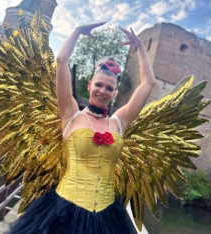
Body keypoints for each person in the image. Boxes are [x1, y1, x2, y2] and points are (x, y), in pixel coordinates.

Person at [9, 22, 155, 234]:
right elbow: (61, 62)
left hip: (107, 214)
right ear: (89, 85)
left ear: (114, 93)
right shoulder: (71, 114)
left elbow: (148, 83)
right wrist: (77, 31)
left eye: (109, 88)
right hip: (64, 210)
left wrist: (141, 47)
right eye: (98, 85)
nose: (102, 91)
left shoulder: (119, 122)